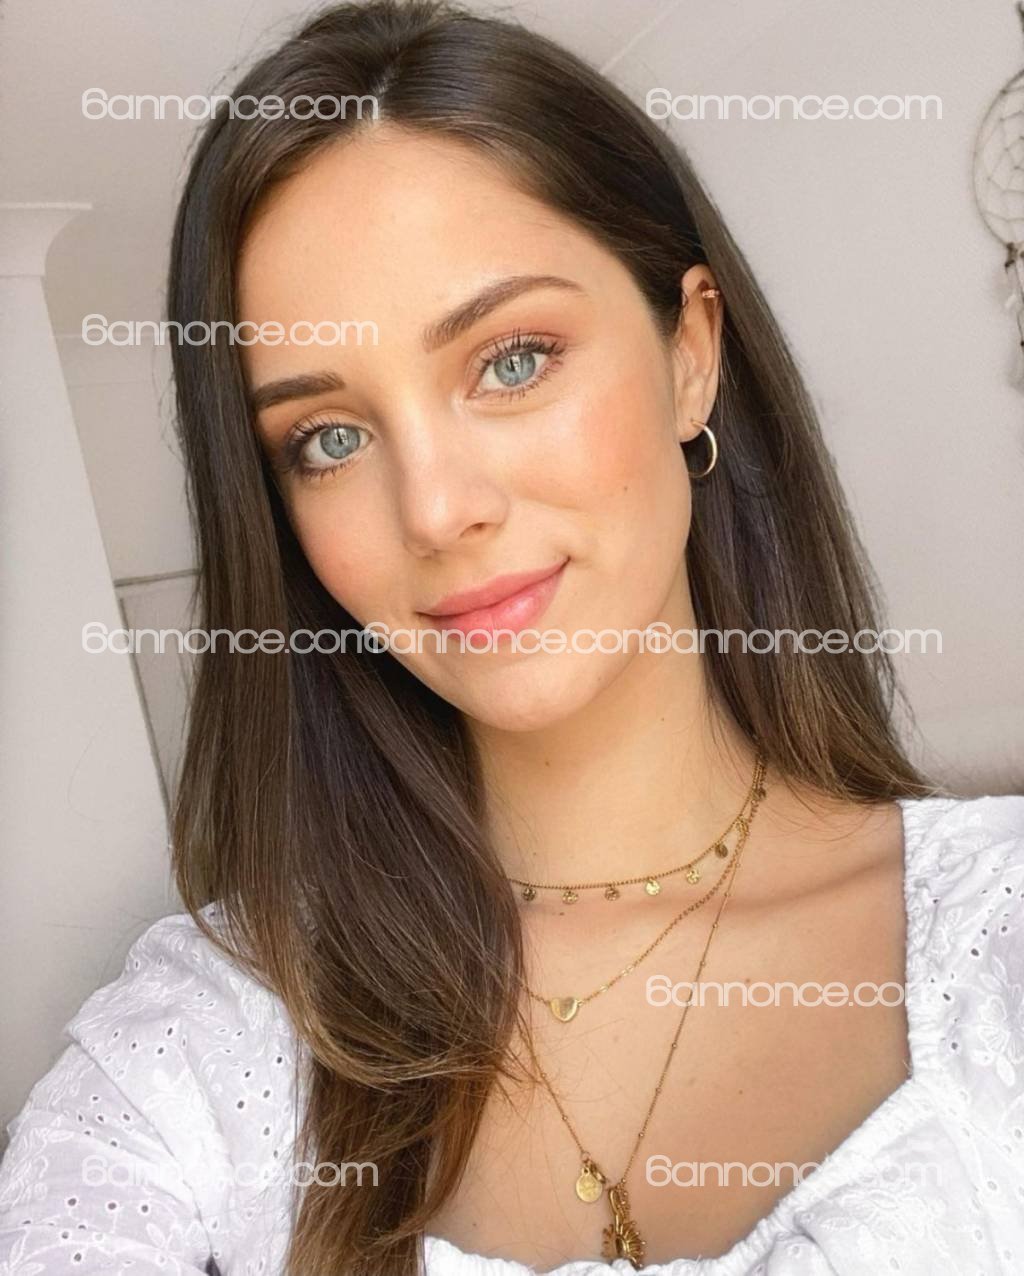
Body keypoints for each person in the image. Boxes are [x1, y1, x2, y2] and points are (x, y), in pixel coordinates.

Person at [2, 2, 1022, 1273]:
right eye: (329, 437)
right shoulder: (200, 1047)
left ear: (690, 354)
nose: (436, 510)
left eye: (512, 360)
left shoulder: (994, 941)